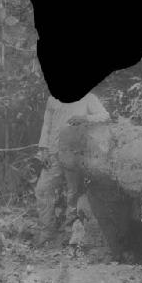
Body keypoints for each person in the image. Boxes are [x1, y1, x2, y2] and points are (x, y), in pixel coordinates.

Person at [35, 92, 110, 245]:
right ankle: (47, 231)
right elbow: (47, 124)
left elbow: (105, 116)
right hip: (53, 154)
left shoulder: (88, 98)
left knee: (73, 193)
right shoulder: (52, 98)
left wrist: (85, 118)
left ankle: (69, 232)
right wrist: (43, 148)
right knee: (42, 190)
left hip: (74, 155)